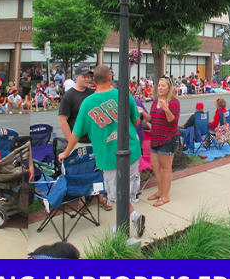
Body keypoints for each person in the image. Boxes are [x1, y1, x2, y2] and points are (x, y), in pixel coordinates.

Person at [58, 65, 146, 237]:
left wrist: (67, 152)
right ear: (109, 78)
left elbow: (76, 133)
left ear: (93, 80)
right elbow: (136, 122)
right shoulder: (124, 95)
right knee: (126, 191)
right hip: (132, 149)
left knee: (117, 194)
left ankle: (121, 229)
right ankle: (133, 217)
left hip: (107, 155)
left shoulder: (87, 104)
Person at [147, 77, 180, 207]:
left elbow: (173, 121)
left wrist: (166, 108)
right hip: (155, 137)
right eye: (158, 85)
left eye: (163, 85)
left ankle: (165, 196)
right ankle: (159, 191)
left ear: (169, 88)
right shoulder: (155, 101)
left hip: (168, 138)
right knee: (155, 166)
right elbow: (153, 119)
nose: (160, 88)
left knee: (166, 168)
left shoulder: (174, 102)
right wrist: (143, 113)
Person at [59, 65, 95, 147]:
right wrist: (71, 142)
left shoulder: (91, 93)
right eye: (84, 77)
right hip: (79, 141)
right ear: (76, 77)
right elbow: (62, 120)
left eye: (88, 77)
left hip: (93, 139)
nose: (87, 79)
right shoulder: (69, 96)